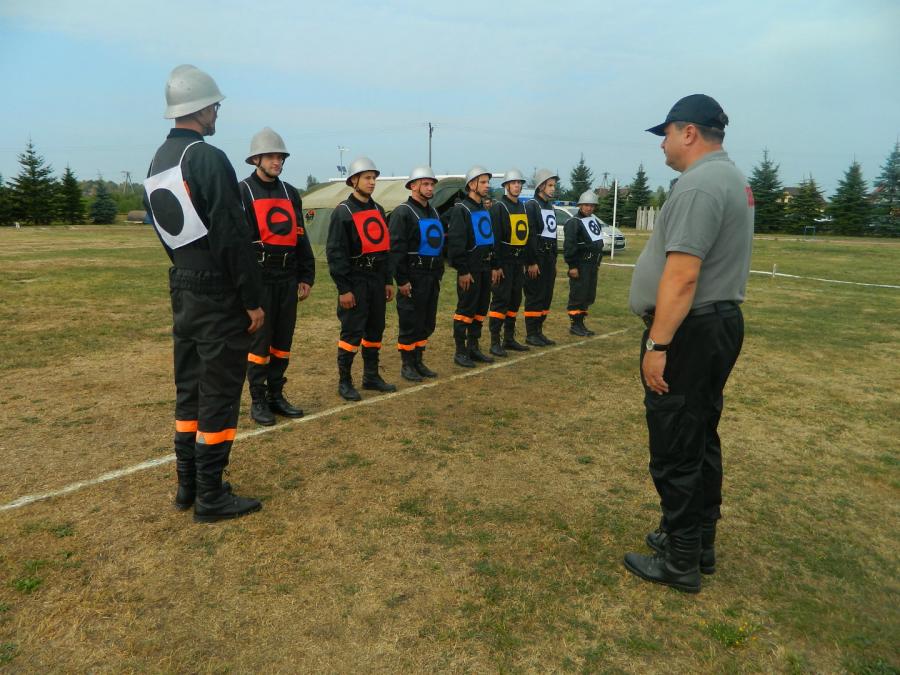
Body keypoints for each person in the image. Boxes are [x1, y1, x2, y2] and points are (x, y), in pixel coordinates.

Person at [623, 94, 754, 593]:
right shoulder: (731, 177)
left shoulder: (699, 185)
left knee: (676, 441)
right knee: (699, 435)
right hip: (713, 324)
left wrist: (657, 345)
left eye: (667, 134)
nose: (663, 144)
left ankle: (680, 560)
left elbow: (681, 276)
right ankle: (698, 542)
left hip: (689, 329)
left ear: (689, 132)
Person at [143, 64, 264, 523]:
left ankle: (188, 485)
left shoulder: (158, 160)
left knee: (189, 388)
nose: (216, 114)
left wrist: (187, 271)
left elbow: (165, 231)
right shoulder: (207, 157)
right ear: (201, 108)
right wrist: (251, 299)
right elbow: (232, 235)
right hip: (217, 291)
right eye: (214, 106)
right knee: (219, 392)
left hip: (184, 285)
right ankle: (211, 496)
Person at [239, 128, 315, 426]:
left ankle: (276, 395)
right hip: (260, 277)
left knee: (283, 340)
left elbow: (300, 236)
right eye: (271, 156)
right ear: (256, 159)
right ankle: (258, 400)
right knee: (260, 343)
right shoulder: (243, 191)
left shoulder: (290, 193)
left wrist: (306, 274)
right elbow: (238, 243)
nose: (277, 162)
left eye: (281, 157)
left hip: (287, 276)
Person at [326, 156, 396, 400]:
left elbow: (384, 248)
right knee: (352, 331)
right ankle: (345, 381)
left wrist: (387, 280)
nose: (372, 182)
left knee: (375, 329)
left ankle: (371, 376)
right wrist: (344, 289)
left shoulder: (378, 210)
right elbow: (336, 253)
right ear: (354, 180)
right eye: (367, 178)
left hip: (376, 279)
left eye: (374, 178)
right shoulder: (343, 212)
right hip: (355, 280)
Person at [389, 166, 443, 382]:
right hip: (413, 276)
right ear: (413, 186)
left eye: (432, 184)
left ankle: (419, 360)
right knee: (410, 321)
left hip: (431, 276)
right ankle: (407, 364)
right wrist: (402, 280)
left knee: (426, 322)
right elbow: (396, 249)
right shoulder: (402, 212)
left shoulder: (434, 212)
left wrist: (438, 273)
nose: (430, 188)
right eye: (425, 184)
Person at [447, 166, 496, 368]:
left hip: (485, 268)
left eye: (487, 182)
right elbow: (456, 243)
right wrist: (463, 271)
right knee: (466, 310)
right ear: (471, 184)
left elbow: (489, 240)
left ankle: (473, 347)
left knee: (480, 309)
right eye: (482, 182)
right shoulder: (461, 209)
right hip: (470, 270)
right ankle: (460, 351)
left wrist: (493, 266)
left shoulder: (483, 209)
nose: (487, 186)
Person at [487, 169, 531, 357]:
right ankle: (494, 342)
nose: (517, 186)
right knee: (500, 300)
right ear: (506, 186)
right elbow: (494, 239)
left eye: (519, 183)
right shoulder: (498, 208)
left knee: (515, 300)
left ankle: (509, 338)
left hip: (518, 262)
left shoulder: (523, 207)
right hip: (503, 262)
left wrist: (528, 261)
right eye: (513, 183)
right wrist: (495, 266)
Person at [523, 169, 560, 346]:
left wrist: (554, 259)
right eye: (550, 185)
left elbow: (553, 235)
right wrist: (531, 262)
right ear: (541, 186)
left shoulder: (550, 207)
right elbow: (530, 236)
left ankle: (539, 331)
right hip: (537, 257)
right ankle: (531, 333)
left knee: (546, 295)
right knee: (535, 295)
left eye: (554, 185)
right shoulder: (532, 206)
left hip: (549, 258)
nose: (553, 188)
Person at [562, 190, 604, 337]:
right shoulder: (574, 222)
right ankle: (575, 324)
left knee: (588, 294)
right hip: (580, 264)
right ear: (580, 205)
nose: (589, 208)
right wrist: (572, 266)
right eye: (586, 205)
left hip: (592, 265)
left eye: (592, 206)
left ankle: (581, 323)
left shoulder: (593, 221)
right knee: (578, 294)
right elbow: (569, 245)